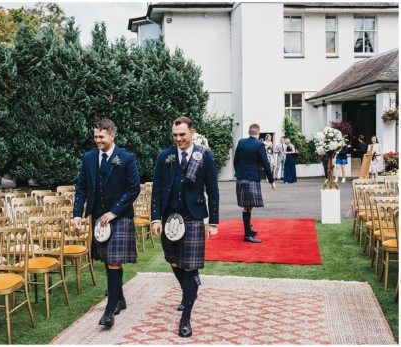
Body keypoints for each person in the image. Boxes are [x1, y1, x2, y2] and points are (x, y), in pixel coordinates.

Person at [151, 116, 219, 338]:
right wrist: (155, 218)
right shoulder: (165, 156)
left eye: (182, 134)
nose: (178, 139)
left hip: (193, 216)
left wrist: (214, 222)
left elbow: (213, 190)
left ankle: (186, 317)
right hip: (169, 217)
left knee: (189, 266)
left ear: (192, 132)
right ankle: (190, 290)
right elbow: (157, 188)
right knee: (173, 262)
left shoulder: (204, 156)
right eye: (175, 135)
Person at [72, 118, 140, 328]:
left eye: (101, 137)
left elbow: (133, 188)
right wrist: (77, 215)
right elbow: (81, 187)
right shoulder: (89, 158)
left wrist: (114, 212)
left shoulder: (126, 158)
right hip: (97, 216)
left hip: (119, 216)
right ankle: (120, 298)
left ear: (112, 135)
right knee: (106, 259)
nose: (97, 141)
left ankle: (109, 310)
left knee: (113, 260)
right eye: (95, 137)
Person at [234, 124, 277, 243]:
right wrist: (272, 180)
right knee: (247, 207)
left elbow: (235, 161)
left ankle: (248, 230)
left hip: (241, 177)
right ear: (258, 133)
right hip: (251, 178)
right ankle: (247, 235)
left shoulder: (241, 142)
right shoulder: (259, 145)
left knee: (247, 207)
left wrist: (239, 172)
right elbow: (265, 163)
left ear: (249, 132)